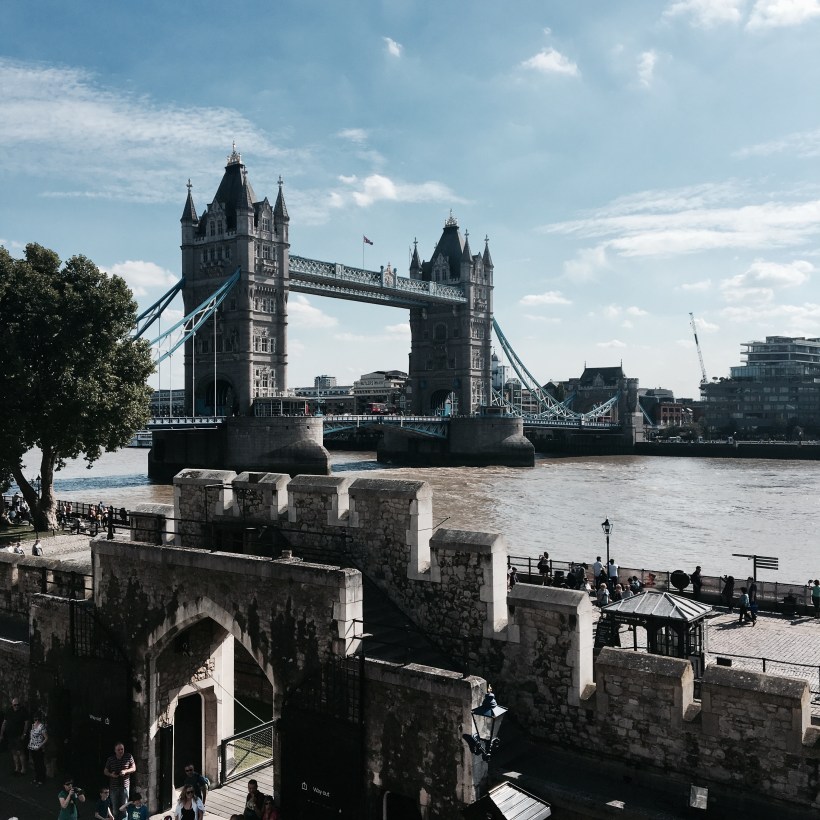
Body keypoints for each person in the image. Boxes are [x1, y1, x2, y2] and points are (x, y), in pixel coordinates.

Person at [104, 741, 137, 820]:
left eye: (122, 749)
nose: (120, 751)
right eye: (118, 750)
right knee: (115, 808)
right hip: (114, 787)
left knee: (124, 807)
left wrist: (125, 771)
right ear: (115, 750)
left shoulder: (129, 756)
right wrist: (111, 775)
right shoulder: (110, 759)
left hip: (125, 787)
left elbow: (134, 768)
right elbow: (105, 771)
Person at [1, 697, 31, 775]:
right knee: (14, 752)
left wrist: (24, 734)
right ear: (12, 704)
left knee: (21, 752)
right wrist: (1, 733)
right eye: (15, 705)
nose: (16, 706)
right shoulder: (9, 711)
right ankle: (17, 768)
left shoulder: (23, 711)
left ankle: (23, 769)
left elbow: (26, 723)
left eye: (18, 705)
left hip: (19, 735)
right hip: (11, 736)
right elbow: (4, 722)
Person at [28, 710, 48, 784]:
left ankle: (42, 779)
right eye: (34, 718)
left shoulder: (41, 726)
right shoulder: (33, 725)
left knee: (40, 764)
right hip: (32, 747)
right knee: (35, 764)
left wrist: (40, 746)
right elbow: (32, 736)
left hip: (39, 748)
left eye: (37, 718)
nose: (36, 720)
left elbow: (46, 738)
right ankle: (37, 778)